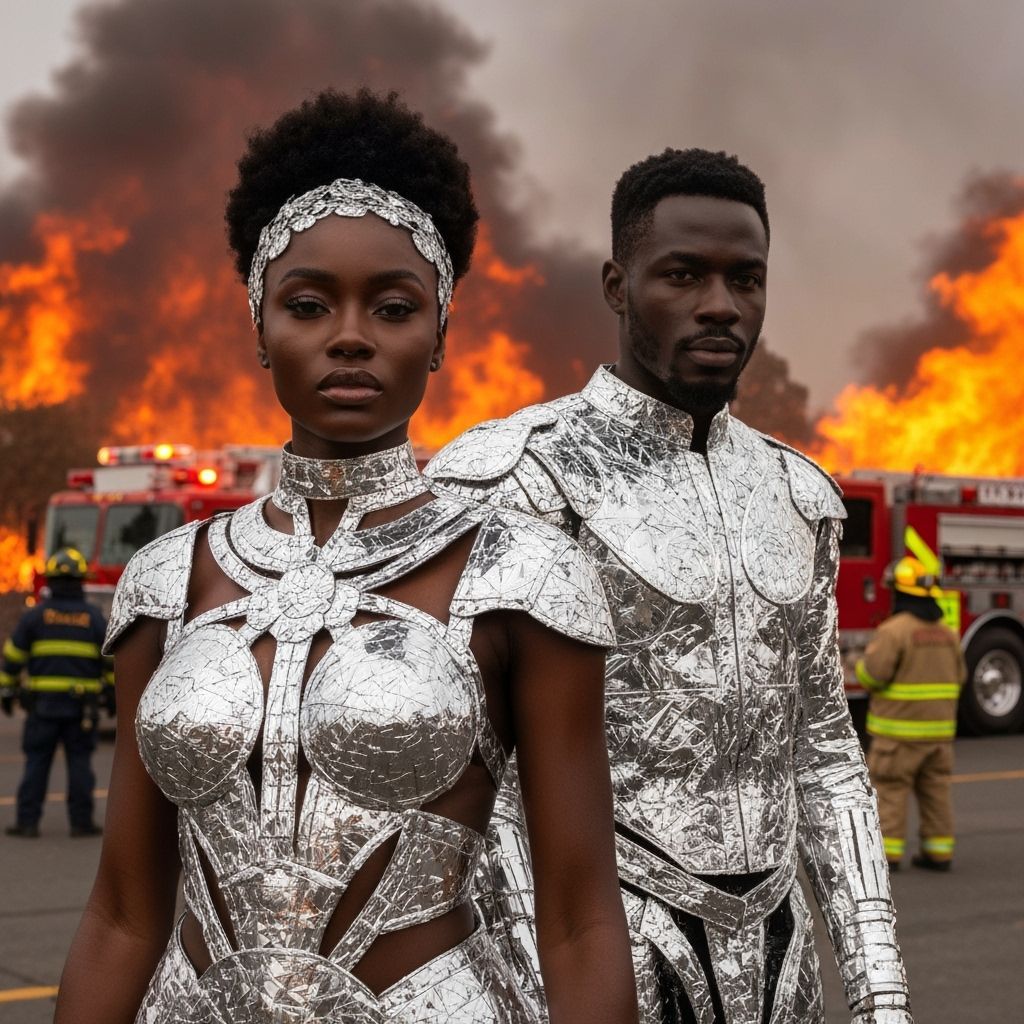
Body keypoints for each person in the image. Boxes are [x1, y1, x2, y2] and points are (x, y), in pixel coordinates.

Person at [55, 90, 636, 1024]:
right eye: (310, 304)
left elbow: (579, 923)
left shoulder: (520, 575)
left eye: (394, 306)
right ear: (259, 327)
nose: (350, 335)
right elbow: (124, 914)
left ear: (441, 332)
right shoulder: (165, 581)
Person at [428, 148, 912, 1023]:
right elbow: (471, 777)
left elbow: (825, 753)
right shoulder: (520, 473)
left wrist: (880, 990)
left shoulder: (799, 492)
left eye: (746, 279)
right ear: (618, 285)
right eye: (683, 275)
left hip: (780, 954)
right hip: (591, 947)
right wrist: (553, 986)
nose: (721, 306)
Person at [858, 556, 965, 872]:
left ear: (899, 593)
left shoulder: (894, 631)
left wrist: (859, 669)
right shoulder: (948, 633)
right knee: (936, 793)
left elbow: (874, 675)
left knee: (890, 791)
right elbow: (960, 676)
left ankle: (888, 855)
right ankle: (939, 852)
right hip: (939, 736)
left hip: (898, 736)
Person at [1, 547, 110, 839]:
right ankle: (81, 822)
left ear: (50, 580)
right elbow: (110, 659)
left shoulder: (35, 616)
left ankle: (27, 822)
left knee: (37, 761)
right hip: (81, 709)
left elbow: (13, 656)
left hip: (43, 708)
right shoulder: (94, 618)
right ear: (80, 580)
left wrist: (7, 689)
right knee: (79, 763)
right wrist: (112, 694)